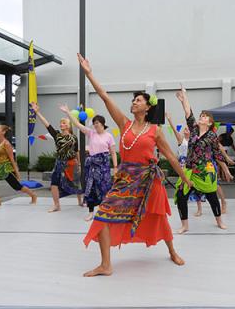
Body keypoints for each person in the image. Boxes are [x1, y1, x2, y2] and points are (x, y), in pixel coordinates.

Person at [78, 53, 192, 277]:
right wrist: (90, 74)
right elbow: (105, 97)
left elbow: (169, 156)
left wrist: (186, 179)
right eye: (133, 100)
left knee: (158, 218)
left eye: (138, 100)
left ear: (147, 107)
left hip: (149, 181)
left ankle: (172, 250)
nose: (133, 102)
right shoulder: (124, 123)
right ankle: (106, 265)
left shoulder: (155, 131)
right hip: (124, 180)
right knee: (102, 214)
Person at [174, 86, 233, 234]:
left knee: (212, 197)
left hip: (205, 171)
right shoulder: (193, 130)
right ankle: (185, 225)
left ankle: (219, 221)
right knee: (181, 196)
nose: (202, 117)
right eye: (201, 115)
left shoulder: (212, 136)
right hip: (189, 170)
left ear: (210, 123)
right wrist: (184, 97)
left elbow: (217, 154)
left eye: (205, 116)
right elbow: (188, 112)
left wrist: (225, 169)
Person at [61, 106, 118, 221]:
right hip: (92, 165)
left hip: (104, 166)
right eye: (94, 123)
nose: (95, 125)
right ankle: (91, 212)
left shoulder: (109, 136)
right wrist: (68, 112)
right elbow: (77, 124)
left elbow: (113, 153)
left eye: (97, 123)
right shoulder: (91, 133)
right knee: (90, 188)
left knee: (105, 187)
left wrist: (116, 167)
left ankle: (105, 211)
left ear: (103, 123)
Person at [30, 102, 83, 212]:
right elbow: (47, 124)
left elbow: (76, 151)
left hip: (71, 163)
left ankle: (80, 201)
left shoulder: (74, 138)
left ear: (68, 125)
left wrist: (79, 163)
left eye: (63, 123)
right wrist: (37, 112)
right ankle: (56, 205)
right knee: (54, 183)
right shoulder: (57, 135)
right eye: (61, 123)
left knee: (76, 183)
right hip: (59, 162)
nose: (61, 124)